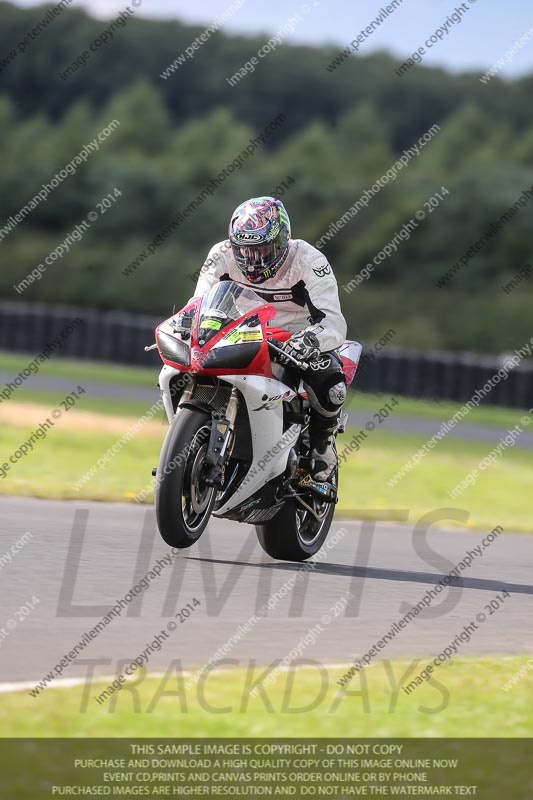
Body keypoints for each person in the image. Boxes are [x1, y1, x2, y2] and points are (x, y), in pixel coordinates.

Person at [193, 196, 347, 482]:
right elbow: (198, 303)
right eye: (245, 251)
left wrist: (309, 342)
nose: (253, 261)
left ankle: (322, 444)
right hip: (242, 332)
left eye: (263, 250)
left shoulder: (310, 261)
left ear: (282, 240)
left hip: (296, 339)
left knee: (331, 381)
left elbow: (333, 321)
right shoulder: (221, 254)